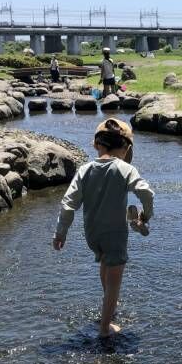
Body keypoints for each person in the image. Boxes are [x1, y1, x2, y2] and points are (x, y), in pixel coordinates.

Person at [52, 118, 155, 337]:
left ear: (97, 145)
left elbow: (68, 203)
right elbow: (147, 193)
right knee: (115, 277)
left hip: (92, 235)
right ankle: (105, 328)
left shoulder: (84, 169)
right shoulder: (125, 168)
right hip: (115, 235)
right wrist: (146, 215)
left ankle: (109, 304)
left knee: (105, 264)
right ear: (126, 148)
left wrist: (61, 232)